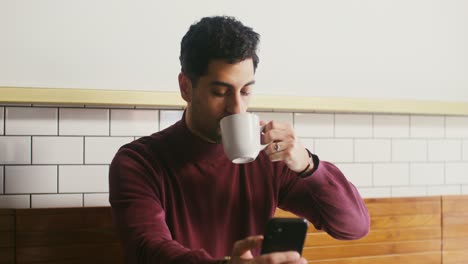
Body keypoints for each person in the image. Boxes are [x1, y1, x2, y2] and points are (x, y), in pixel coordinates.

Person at [109, 16, 370, 264]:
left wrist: (308, 166)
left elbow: (354, 227)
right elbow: (146, 250)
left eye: (246, 91)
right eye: (220, 92)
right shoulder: (139, 161)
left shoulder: (268, 156)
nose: (236, 107)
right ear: (186, 87)